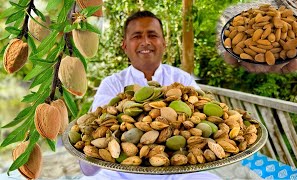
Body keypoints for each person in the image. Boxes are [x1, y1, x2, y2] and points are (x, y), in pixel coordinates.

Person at [79, 10, 221, 180]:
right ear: (125, 45)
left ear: (164, 42)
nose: (145, 42)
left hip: (178, 172)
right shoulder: (112, 83)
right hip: (120, 172)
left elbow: (204, 121)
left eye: (152, 35)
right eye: (137, 36)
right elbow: (99, 132)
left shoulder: (181, 79)